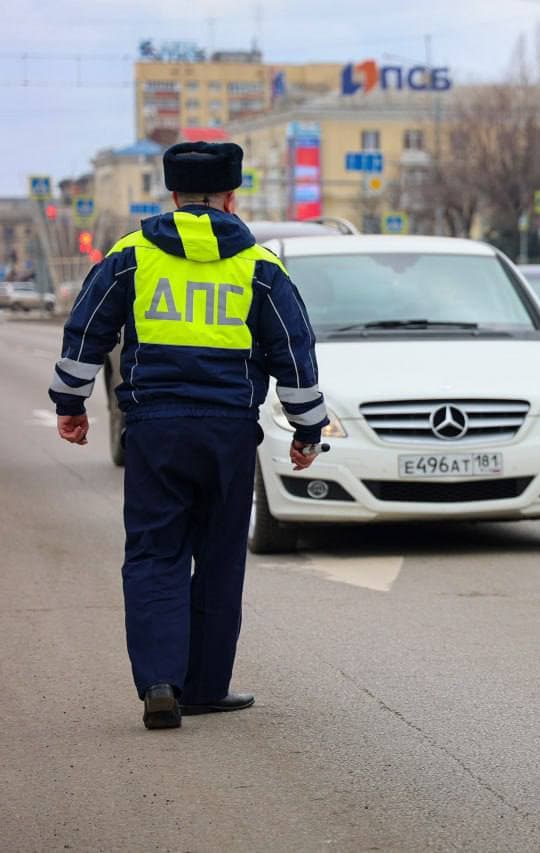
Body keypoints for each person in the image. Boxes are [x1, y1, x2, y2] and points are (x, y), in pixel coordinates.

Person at [48, 141, 328, 730]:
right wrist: (307, 428)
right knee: (220, 558)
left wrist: (70, 403)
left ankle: (158, 681)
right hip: (228, 432)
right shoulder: (260, 267)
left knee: (155, 554)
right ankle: (204, 687)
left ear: (172, 196)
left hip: (155, 429)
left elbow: (86, 332)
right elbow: (294, 355)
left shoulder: (130, 257)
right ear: (231, 195)